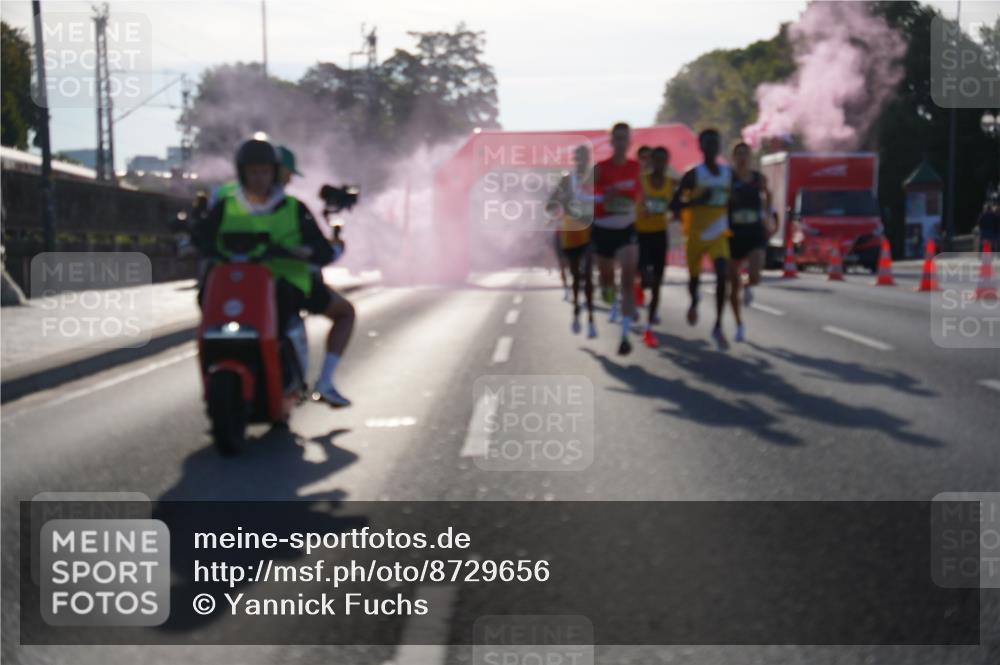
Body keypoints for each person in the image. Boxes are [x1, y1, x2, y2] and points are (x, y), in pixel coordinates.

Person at [195, 136, 355, 407]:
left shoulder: (295, 209)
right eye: (253, 172)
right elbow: (202, 238)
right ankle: (324, 382)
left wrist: (306, 252)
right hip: (233, 288)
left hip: (287, 284)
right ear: (242, 173)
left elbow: (323, 250)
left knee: (345, 312)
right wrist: (190, 244)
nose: (259, 178)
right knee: (205, 302)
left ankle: (323, 380)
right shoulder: (226, 206)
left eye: (265, 172)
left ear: (275, 173)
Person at [669, 128, 732, 350]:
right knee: (694, 281)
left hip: (719, 233)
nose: (712, 147)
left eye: (716, 143)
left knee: (722, 274)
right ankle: (694, 301)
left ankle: (717, 324)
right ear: (701, 147)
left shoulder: (727, 174)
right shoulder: (693, 175)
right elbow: (673, 205)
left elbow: (732, 201)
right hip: (695, 235)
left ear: (719, 147)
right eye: (708, 143)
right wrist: (696, 202)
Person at [593, 122, 642, 355]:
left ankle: (624, 336)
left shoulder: (636, 168)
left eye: (625, 138)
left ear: (629, 142)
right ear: (611, 142)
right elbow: (582, 195)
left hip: (626, 228)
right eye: (617, 138)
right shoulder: (600, 168)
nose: (621, 142)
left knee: (628, 279)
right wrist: (603, 195)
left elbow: (642, 195)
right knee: (607, 282)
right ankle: (607, 293)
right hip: (603, 227)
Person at [548, 144, 598, 338]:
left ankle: (592, 319)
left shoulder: (595, 177)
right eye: (578, 157)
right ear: (574, 159)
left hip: (591, 230)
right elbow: (550, 203)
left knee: (588, 274)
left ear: (589, 158)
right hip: (571, 231)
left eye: (585, 157)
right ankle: (577, 310)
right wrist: (562, 204)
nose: (582, 160)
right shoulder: (567, 180)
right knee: (577, 275)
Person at [726, 141, 772, 342]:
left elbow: (768, 196)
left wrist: (767, 216)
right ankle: (739, 325)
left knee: (755, 275)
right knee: (732, 283)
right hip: (733, 233)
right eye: (738, 153)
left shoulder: (758, 178)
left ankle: (749, 284)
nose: (742, 157)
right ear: (733, 157)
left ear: (750, 156)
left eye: (745, 153)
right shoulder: (727, 178)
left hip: (754, 231)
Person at [635, 146, 673, 348]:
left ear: (667, 162)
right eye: (656, 159)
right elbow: (633, 201)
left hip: (660, 235)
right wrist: (642, 209)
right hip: (641, 235)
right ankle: (639, 287)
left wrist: (673, 213)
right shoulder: (641, 181)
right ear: (652, 161)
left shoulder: (669, 183)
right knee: (645, 278)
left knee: (657, 284)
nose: (660, 164)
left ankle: (648, 330)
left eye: (663, 160)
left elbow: (673, 205)